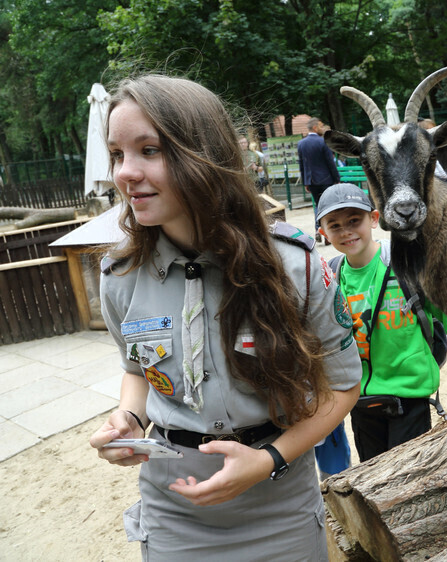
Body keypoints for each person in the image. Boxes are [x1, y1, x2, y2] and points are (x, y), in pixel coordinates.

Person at [89, 74, 361, 560]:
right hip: (174, 511)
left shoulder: (294, 267)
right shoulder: (119, 275)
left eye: (149, 150)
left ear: (204, 153)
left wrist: (268, 459)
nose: (125, 173)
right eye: (117, 154)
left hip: (279, 500)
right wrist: (129, 417)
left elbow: (341, 387)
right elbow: (137, 370)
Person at [316, 183, 446, 462]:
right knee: (373, 477)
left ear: (374, 219)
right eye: (335, 225)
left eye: (354, 220)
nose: (346, 231)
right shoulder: (330, 277)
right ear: (323, 233)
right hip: (359, 400)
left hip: (409, 393)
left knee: (408, 476)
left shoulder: (405, 262)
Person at [297, 117, 341, 242]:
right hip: (326, 180)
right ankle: (327, 233)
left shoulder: (301, 144)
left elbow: (301, 164)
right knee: (329, 205)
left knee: (318, 205)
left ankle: (318, 229)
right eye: (321, 126)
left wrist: (305, 181)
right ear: (315, 127)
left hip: (311, 181)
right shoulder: (323, 142)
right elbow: (330, 163)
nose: (322, 128)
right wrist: (337, 179)